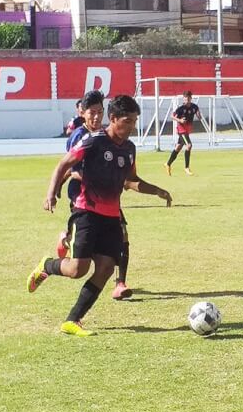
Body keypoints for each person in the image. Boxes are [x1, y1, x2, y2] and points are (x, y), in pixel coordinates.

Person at [27, 95, 172, 337]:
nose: (131, 127)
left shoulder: (129, 148)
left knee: (105, 267)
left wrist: (156, 190)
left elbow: (130, 181)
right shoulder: (93, 141)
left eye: (135, 121)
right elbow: (63, 165)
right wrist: (51, 193)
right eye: (127, 121)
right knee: (77, 269)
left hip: (111, 217)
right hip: (86, 212)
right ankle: (46, 266)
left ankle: (73, 320)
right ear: (113, 119)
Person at [166, 91, 201, 176]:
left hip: (187, 130)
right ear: (183, 99)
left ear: (191, 99)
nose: (187, 101)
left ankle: (167, 164)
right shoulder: (180, 108)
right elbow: (172, 116)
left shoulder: (194, 107)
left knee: (178, 148)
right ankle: (187, 168)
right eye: (185, 99)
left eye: (188, 99)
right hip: (181, 130)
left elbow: (198, 114)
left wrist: (199, 116)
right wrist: (180, 120)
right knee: (189, 145)